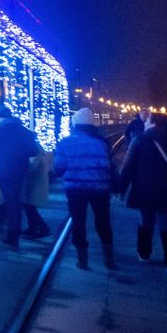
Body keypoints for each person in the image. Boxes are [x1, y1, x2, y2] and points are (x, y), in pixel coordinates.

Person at [120, 113, 167, 275]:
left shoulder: (139, 141)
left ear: (152, 124)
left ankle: (144, 253)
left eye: (147, 121)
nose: (144, 123)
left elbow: (128, 167)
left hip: (144, 189)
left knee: (145, 221)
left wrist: (121, 187)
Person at [52, 108, 117, 270]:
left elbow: (58, 169)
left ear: (74, 123)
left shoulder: (65, 142)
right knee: (103, 221)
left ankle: (83, 260)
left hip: (75, 190)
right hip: (100, 188)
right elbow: (110, 166)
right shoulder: (102, 143)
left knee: (78, 222)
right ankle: (108, 259)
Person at [0, 104, 42, 249]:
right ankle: (13, 235)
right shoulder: (24, 131)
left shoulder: (0, 129)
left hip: (3, 170)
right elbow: (33, 151)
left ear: (0, 117)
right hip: (20, 170)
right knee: (14, 201)